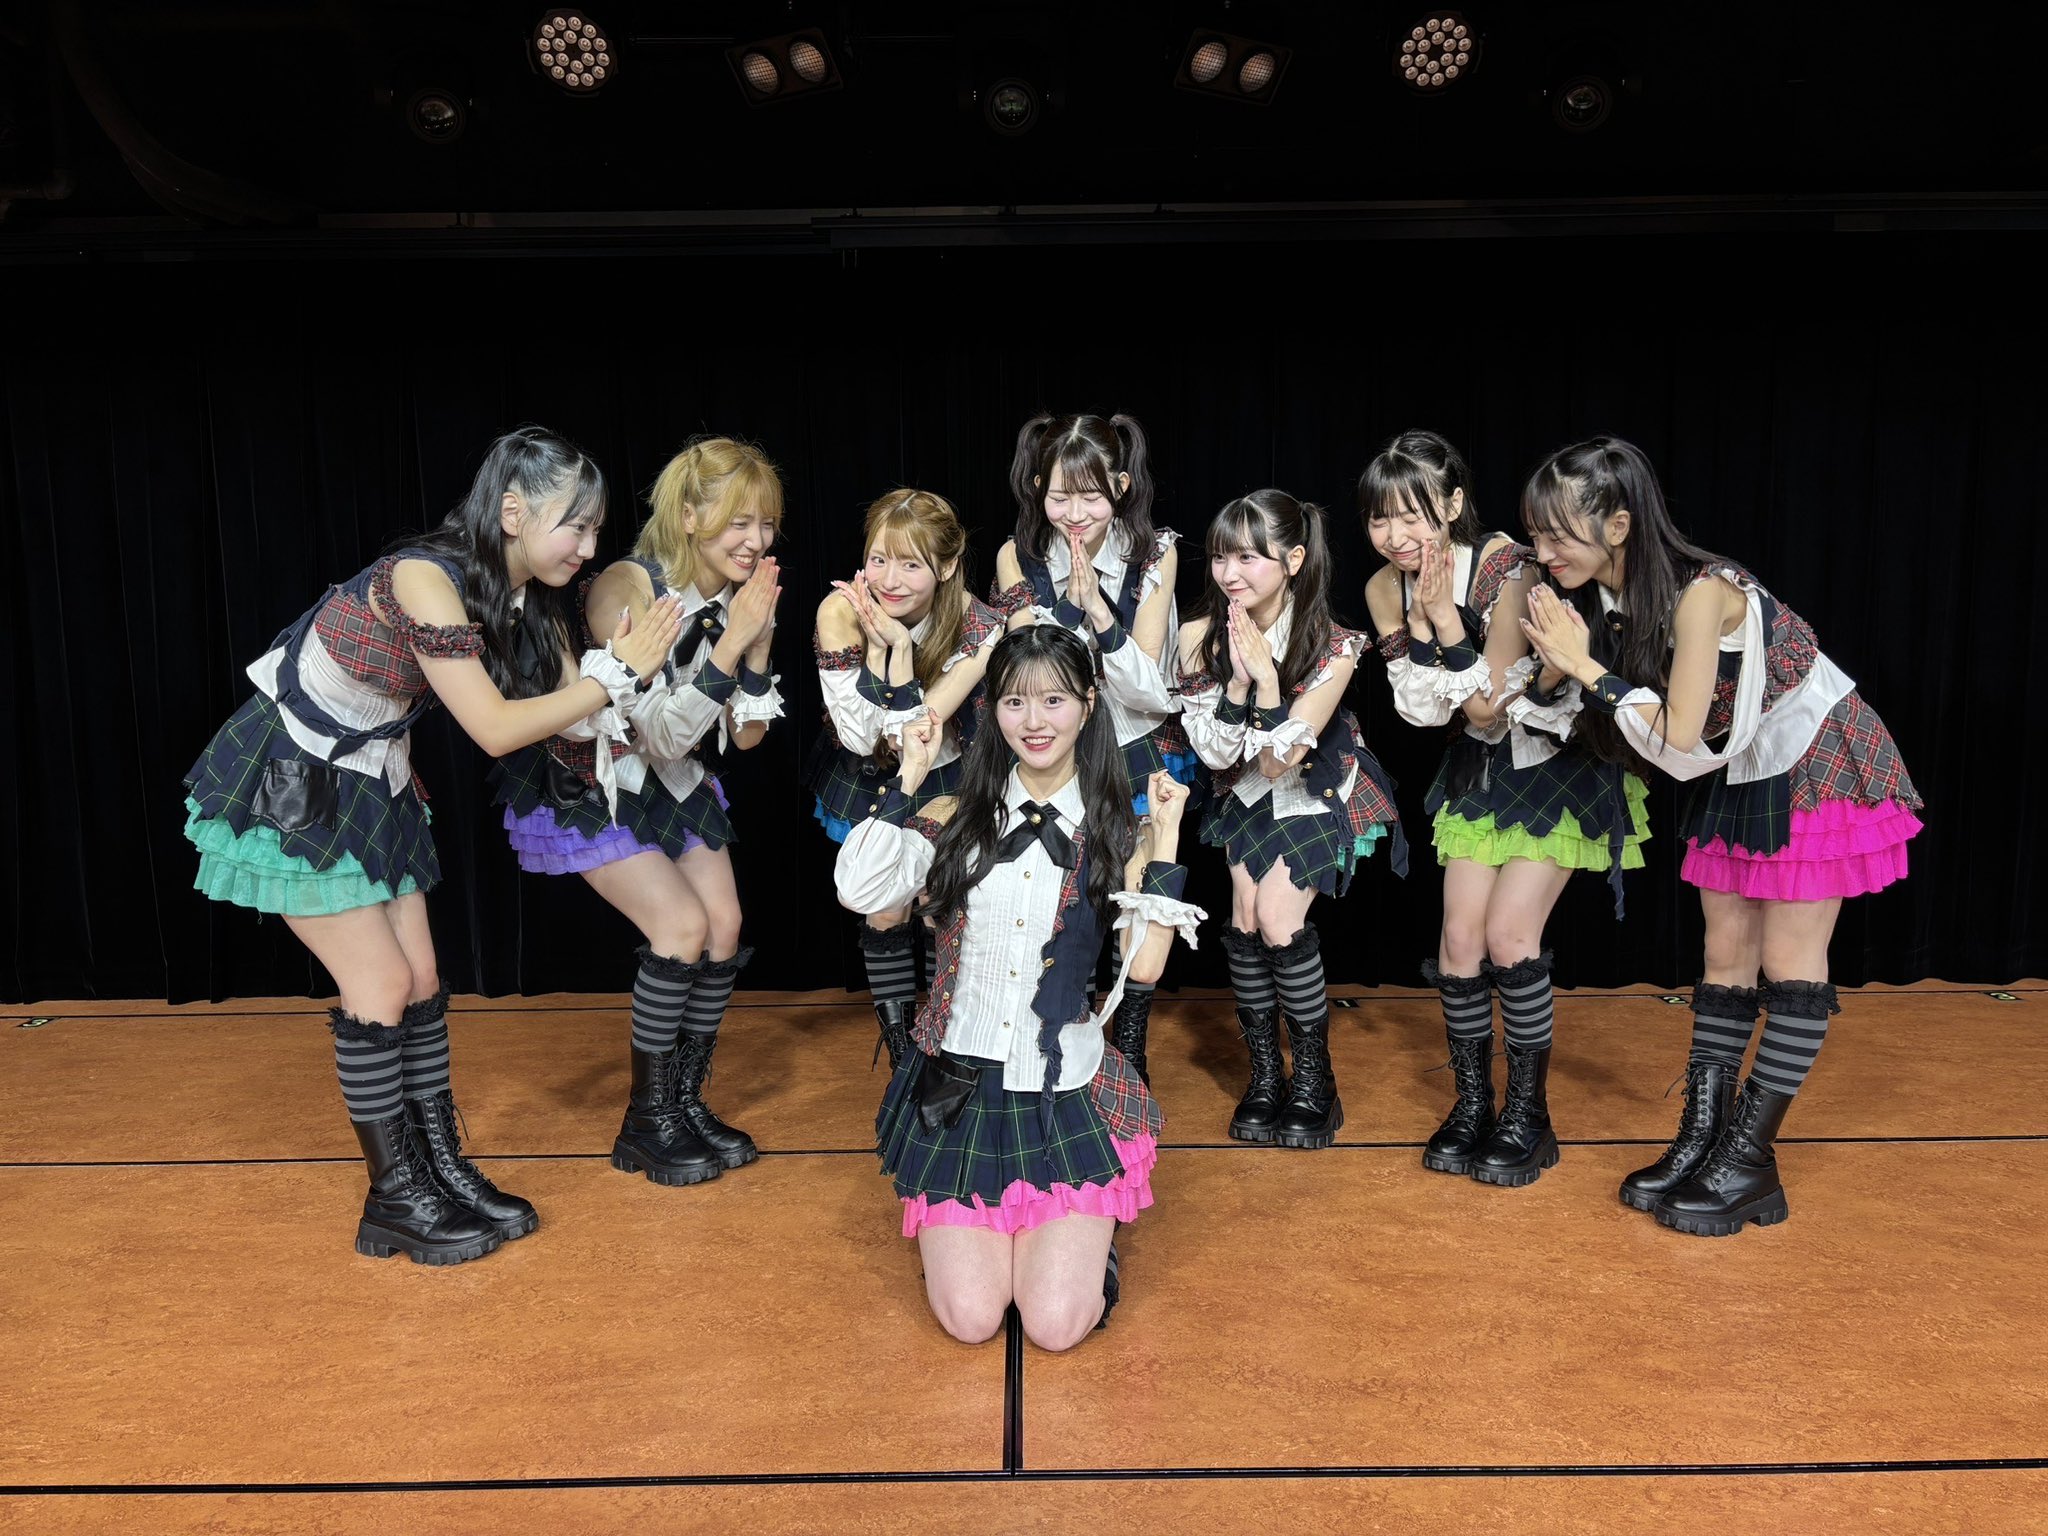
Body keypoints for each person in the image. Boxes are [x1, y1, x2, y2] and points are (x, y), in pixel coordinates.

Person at [184, 426, 683, 1263]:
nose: (589, 548)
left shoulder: (522, 598)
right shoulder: (425, 577)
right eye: (576, 525)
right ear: (513, 511)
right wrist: (614, 676)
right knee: (379, 983)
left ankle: (438, 1168)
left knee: (419, 980)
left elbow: (573, 718)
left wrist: (637, 677)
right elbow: (495, 729)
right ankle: (394, 1198)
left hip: (372, 775)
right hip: (296, 773)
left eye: (598, 530)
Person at [1517, 435, 1923, 1234]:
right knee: (1724, 954)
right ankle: (1702, 1142)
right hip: (1743, 769)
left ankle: (1748, 1163)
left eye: (1558, 533)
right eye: (1535, 533)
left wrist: (1587, 667)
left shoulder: (1702, 593)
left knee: (1788, 963)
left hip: (1816, 758)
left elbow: (1678, 740)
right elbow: (1635, 732)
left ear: (1619, 525)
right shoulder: (1610, 600)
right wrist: (1566, 666)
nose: (1544, 551)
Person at [835, 626, 1203, 1350]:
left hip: (1065, 1089)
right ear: (993, 711)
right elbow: (860, 889)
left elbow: (1146, 967)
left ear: (1088, 705)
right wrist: (908, 776)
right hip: (957, 1087)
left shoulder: (1118, 829)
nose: (1034, 721)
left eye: (1054, 701)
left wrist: (1165, 842)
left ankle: (1090, 1253)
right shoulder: (953, 817)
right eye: (1014, 702)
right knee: (971, 1319)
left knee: (1055, 1326)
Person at [1361, 429, 1649, 1187]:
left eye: (1414, 514)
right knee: (1459, 939)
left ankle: (1528, 1116)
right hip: (1482, 770)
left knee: (1509, 933)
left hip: (1558, 762)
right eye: (1381, 519)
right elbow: (1424, 713)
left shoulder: (1509, 567)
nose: (1397, 535)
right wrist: (1424, 628)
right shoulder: (1382, 589)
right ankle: (1471, 1105)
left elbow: (1488, 707)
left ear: (1454, 503)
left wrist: (1443, 625)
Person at [1178, 490, 1405, 1150]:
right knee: (1246, 920)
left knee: (1278, 918)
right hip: (1244, 791)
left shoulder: (1336, 645)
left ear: (1294, 559)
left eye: (1249, 557)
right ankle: (1264, 1079)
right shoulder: (1197, 636)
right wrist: (1238, 685)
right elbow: (1215, 753)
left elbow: (1284, 759)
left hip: (1315, 786)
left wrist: (1269, 685)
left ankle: (1313, 1082)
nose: (1231, 573)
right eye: (1221, 557)